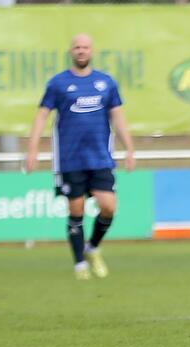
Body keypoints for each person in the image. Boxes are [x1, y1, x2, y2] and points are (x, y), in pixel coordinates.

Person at [25, 33, 135, 280]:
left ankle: (92, 247)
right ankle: (79, 266)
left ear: (92, 51)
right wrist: (32, 149)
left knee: (108, 207)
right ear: (71, 51)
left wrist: (129, 147)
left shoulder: (106, 83)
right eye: (77, 47)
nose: (81, 51)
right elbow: (42, 116)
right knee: (76, 211)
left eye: (85, 47)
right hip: (70, 159)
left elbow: (118, 116)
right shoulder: (58, 83)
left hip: (100, 158)